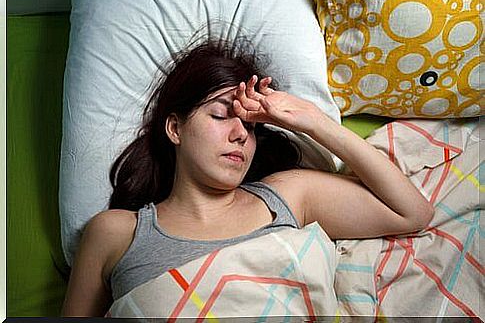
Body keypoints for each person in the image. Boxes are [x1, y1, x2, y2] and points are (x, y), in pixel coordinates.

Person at [61, 38, 434, 317]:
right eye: (221, 116)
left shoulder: (287, 194)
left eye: (252, 127)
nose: (241, 134)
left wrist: (311, 121)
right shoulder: (115, 233)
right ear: (175, 128)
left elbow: (412, 213)